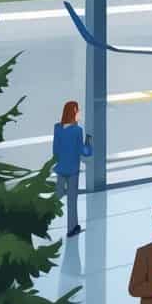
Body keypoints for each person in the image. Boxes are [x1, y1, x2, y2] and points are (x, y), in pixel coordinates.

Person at [52, 100, 92, 238]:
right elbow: (84, 152)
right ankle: (72, 228)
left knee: (57, 195)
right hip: (73, 170)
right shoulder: (77, 130)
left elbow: (55, 150)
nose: (79, 113)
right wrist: (89, 142)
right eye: (78, 110)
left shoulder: (57, 127)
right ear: (73, 112)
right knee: (72, 201)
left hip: (61, 168)